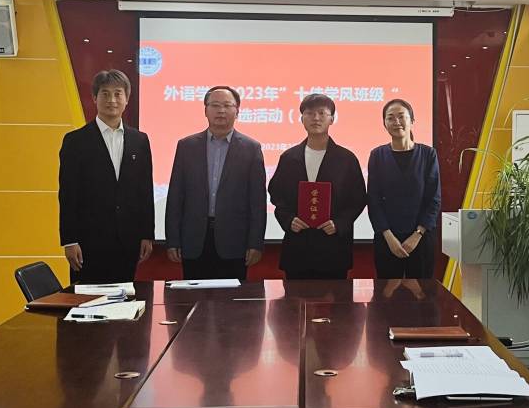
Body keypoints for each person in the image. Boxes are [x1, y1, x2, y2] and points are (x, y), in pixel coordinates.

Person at [58, 69, 155, 284]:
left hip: (128, 240)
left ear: (127, 99)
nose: (112, 100)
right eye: (105, 93)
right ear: (95, 98)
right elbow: (68, 194)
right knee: (88, 299)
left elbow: (145, 191)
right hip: (88, 242)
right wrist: (69, 240)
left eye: (118, 94)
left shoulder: (139, 140)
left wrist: (147, 234)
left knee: (125, 297)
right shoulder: (75, 141)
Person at [165, 86, 265, 280]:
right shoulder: (186, 146)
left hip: (234, 241)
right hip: (193, 239)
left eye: (227, 105)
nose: (221, 111)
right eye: (215, 105)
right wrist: (173, 239)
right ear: (205, 110)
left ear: (237, 111)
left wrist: (255, 243)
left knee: (232, 298)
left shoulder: (251, 148)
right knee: (193, 296)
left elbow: (257, 201)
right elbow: (176, 195)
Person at [267, 93, 367, 280]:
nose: (316, 118)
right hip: (298, 247)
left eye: (322, 113)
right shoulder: (289, 158)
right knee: (295, 299)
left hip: (333, 248)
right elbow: (277, 196)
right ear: (301, 118)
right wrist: (288, 220)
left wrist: (340, 223)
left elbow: (358, 199)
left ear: (332, 119)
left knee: (335, 298)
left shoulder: (346, 159)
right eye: (310, 113)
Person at [366, 99, 441, 279]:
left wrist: (417, 235)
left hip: (421, 239)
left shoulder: (428, 154)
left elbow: (434, 199)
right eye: (390, 118)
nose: (396, 122)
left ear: (412, 120)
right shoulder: (377, 155)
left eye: (401, 116)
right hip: (387, 240)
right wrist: (388, 237)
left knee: (422, 293)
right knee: (386, 293)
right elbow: (373, 200)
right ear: (384, 123)